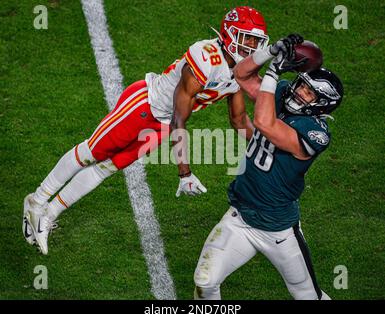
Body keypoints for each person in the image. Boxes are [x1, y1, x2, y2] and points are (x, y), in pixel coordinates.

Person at [23, 6, 272, 255]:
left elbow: (239, 120)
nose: (251, 45)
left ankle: (49, 214)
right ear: (229, 35)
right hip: (145, 106)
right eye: (246, 38)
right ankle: (36, 200)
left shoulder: (240, 72)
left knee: (106, 168)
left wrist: (267, 143)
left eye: (256, 40)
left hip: (162, 125)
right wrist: (184, 173)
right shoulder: (207, 57)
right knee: (91, 152)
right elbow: (178, 117)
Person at [193, 34, 344, 300]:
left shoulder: (315, 132)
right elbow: (240, 75)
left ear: (322, 103)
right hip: (240, 215)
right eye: (301, 84)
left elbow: (265, 123)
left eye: (309, 92)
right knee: (205, 282)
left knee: (307, 295)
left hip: (277, 228)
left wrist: (273, 72)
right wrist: (270, 53)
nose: (299, 92)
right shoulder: (283, 92)